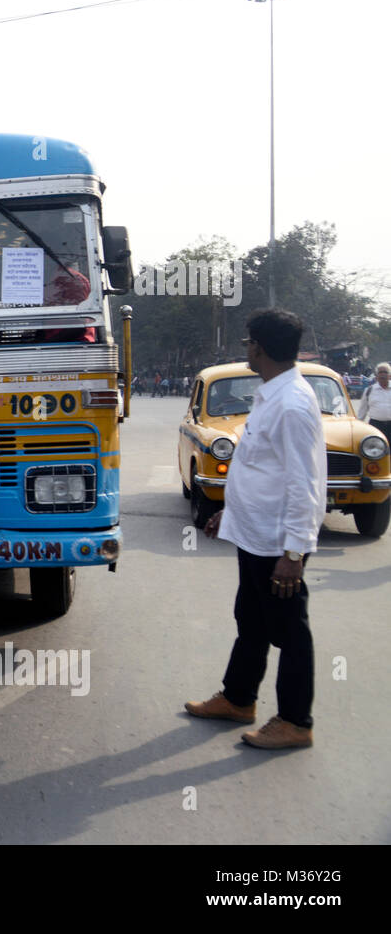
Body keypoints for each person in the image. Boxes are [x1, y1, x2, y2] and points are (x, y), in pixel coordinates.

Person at [186, 309, 324, 749]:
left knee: (290, 632)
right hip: (256, 533)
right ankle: (238, 698)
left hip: (278, 544)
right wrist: (229, 512)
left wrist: (294, 554)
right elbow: (260, 470)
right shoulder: (271, 394)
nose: (245, 348)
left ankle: (296, 721)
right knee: (251, 620)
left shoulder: (293, 404)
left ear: (258, 347)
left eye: (248, 342)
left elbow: (305, 483)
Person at [356, 361, 391, 439]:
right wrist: (357, 427)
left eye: (385, 372)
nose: (382, 375)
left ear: (390, 375)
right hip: (375, 426)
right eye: (380, 372)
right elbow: (362, 411)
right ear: (376, 376)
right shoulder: (369, 390)